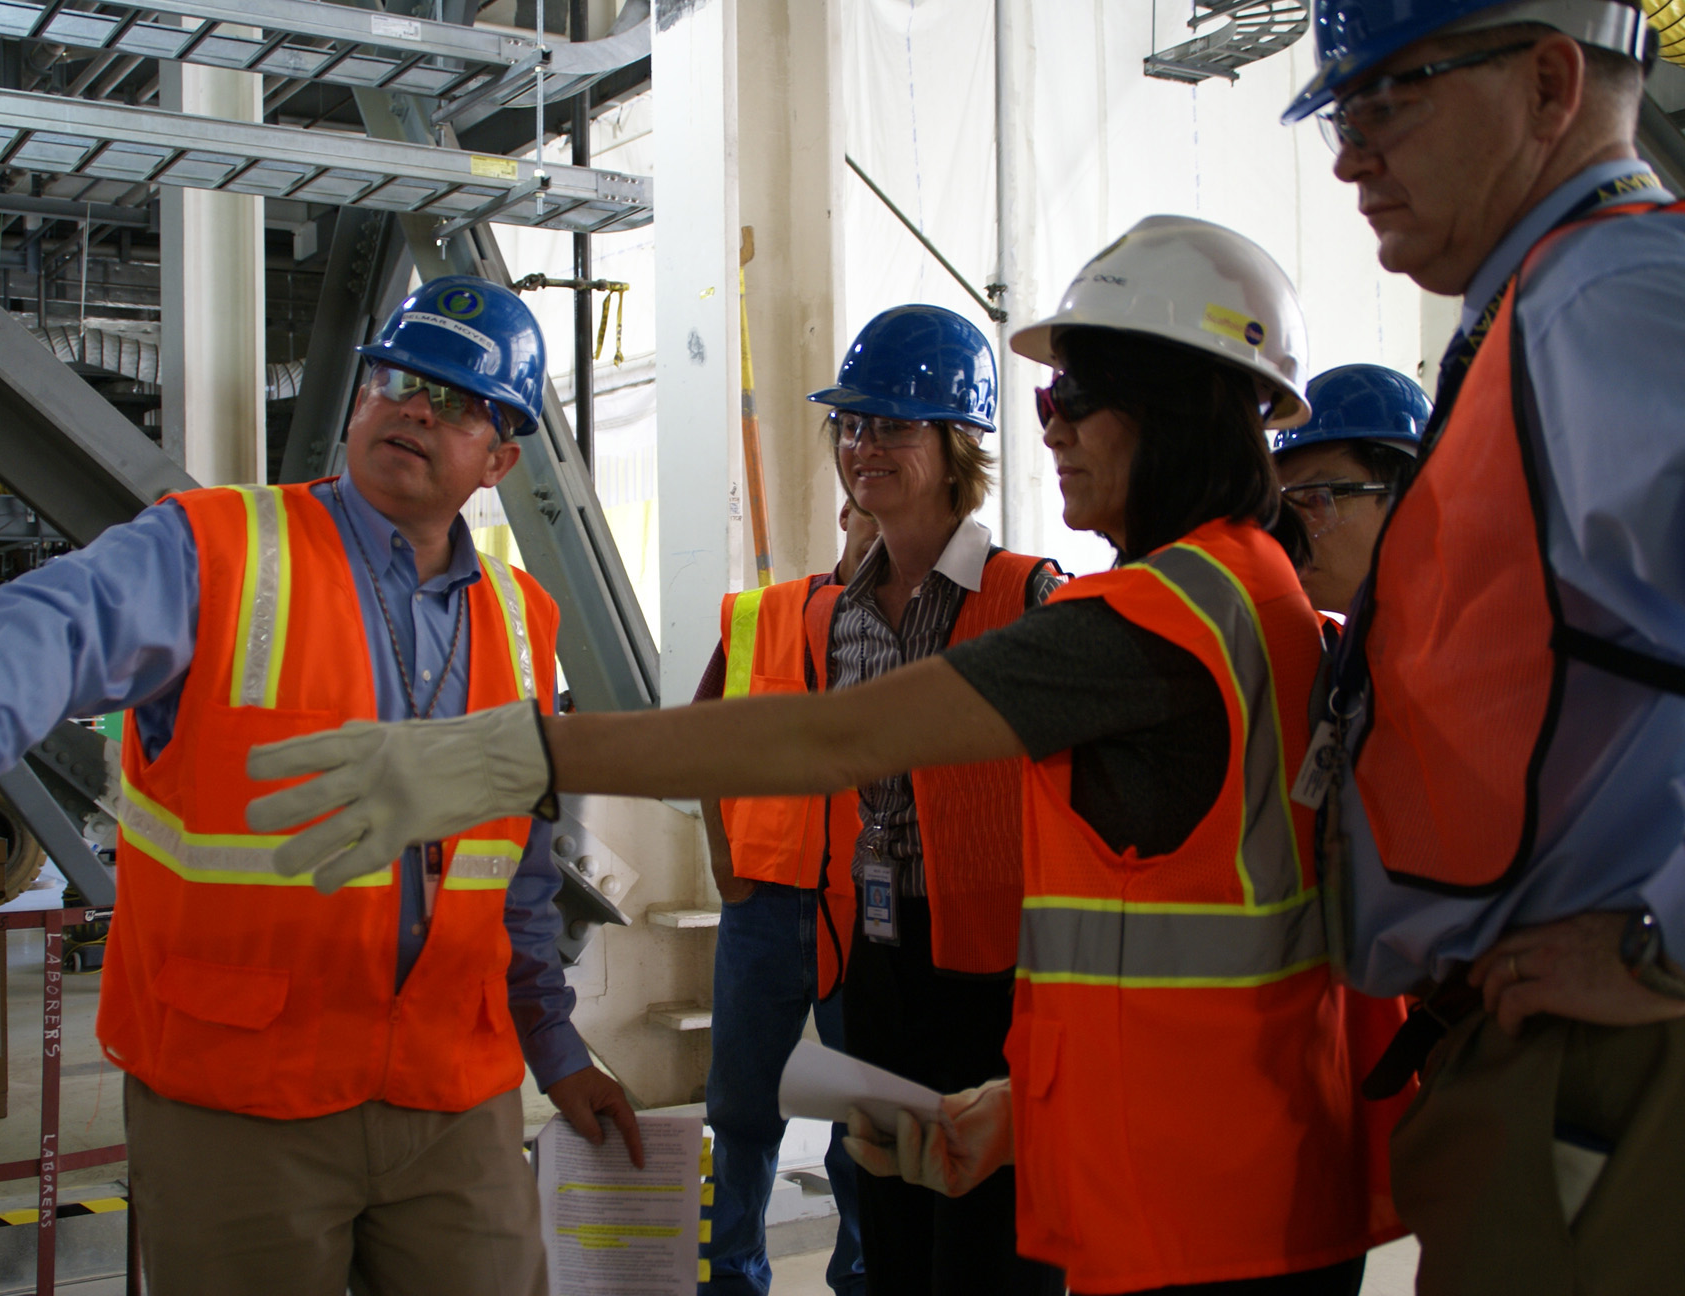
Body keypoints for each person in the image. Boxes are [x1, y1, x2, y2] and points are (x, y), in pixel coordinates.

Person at [243, 217, 1409, 1296]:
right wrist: (1026, 1109)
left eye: (1077, 395)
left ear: (1184, 408)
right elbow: (1214, 944)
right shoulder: (1257, 597)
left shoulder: (1142, 625)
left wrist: (519, 752)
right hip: (1221, 1150)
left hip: (1195, 1205)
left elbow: (834, 739)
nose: (1047, 422)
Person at [0, 276, 641, 1296]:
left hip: (452, 1105)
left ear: (501, 459)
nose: (417, 408)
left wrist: (555, 1047)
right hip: (240, 1102)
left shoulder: (523, 623)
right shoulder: (216, 550)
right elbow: (59, 621)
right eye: (398, 378)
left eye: (461, 403)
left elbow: (516, 874)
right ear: (358, 400)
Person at [1279, 2, 1685, 1290]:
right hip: (1543, 1059)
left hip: (1604, 1071)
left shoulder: (1608, 305)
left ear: (1551, 82)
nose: (1350, 157)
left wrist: (1661, 945)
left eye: (1386, 101)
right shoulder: (1545, 310)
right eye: (1343, 115)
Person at [806, 305, 1064, 1296]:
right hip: (879, 957)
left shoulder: (1029, 596)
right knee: (893, 1220)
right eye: (851, 425)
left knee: (994, 1238)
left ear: (956, 449)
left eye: (892, 427)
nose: (862, 446)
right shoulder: (841, 615)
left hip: (999, 968)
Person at [695, 498, 874, 1296]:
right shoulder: (760, 617)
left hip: (869, 916)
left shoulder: (928, 627)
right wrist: (721, 858)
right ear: (844, 513)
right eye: (870, 515)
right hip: (762, 902)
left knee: (861, 1125)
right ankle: (730, 1278)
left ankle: (865, 1277)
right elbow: (699, 739)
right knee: (739, 1112)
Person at [1270, 364, 1427, 613]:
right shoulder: (1360, 647)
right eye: (1285, 505)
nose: (1290, 533)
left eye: (1315, 500)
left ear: (1409, 502)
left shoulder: (1480, 640)